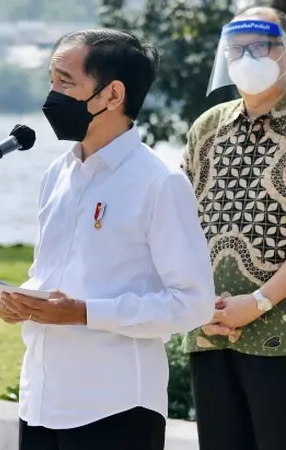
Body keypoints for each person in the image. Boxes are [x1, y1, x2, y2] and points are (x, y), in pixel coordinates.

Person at [0, 28, 215, 450]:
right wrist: (22, 301)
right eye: (51, 80)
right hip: (40, 400)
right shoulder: (56, 174)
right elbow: (51, 274)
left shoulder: (159, 182)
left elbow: (193, 302)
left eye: (65, 81)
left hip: (115, 406)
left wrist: (83, 313)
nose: (51, 95)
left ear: (112, 95)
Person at [182, 6, 286, 450]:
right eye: (236, 48)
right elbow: (179, 224)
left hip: (278, 339)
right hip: (210, 333)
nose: (247, 57)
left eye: (261, 46)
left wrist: (260, 300)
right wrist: (195, 302)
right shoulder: (208, 126)